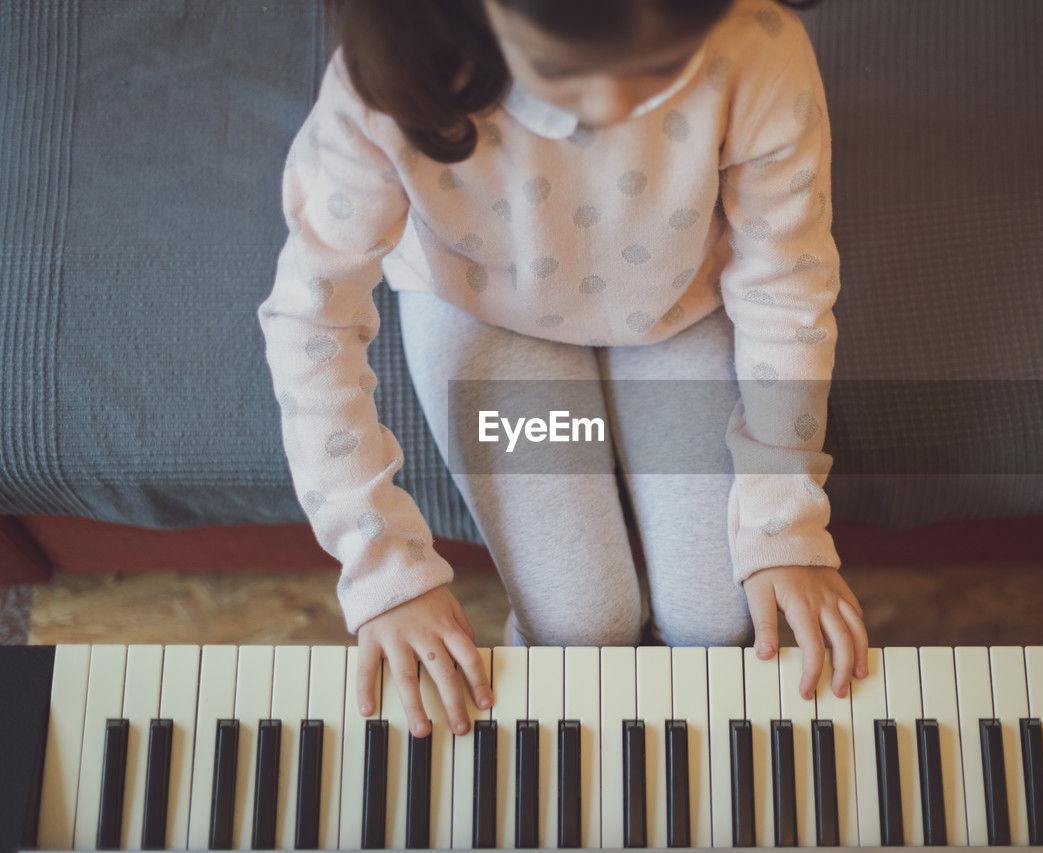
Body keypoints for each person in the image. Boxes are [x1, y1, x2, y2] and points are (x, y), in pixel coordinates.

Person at [257, 0, 870, 741]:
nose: (611, 111)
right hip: (483, 302)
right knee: (582, 627)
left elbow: (786, 287)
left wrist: (785, 519)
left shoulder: (757, 42)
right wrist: (382, 567)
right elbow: (312, 320)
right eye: (559, 71)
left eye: (659, 66)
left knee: (719, 619)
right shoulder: (390, 84)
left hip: (678, 300)